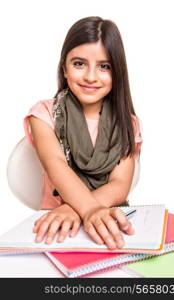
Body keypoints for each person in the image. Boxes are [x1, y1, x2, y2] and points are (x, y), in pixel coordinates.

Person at [24, 16, 143, 250]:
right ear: (64, 69)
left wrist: (77, 209)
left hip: (109, 221)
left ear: (117, 72)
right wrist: (87, 210)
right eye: (79, 64)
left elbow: (120, 184)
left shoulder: (128, 122)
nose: (90, 76)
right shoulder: (44, 114)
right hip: (56, 225)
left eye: (104, 66)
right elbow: (56, 165)